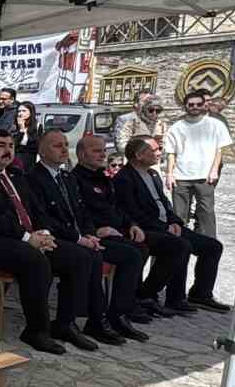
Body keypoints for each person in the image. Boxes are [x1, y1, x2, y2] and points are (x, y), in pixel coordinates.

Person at [0, 129, 97, 354]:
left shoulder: (16, 176)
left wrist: (44, 234)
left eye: (10, 145)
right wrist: (29, 239)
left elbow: (36, 210)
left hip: (21, 238)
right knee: (35, 260)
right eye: (0, 145)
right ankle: (36, 330)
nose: (8, 150)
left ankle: (65, 324)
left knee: (80, 256)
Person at [24, 131, 147, 344]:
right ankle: (78, 321)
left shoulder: (65, 177)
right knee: (88, 256)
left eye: (65, 145)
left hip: (81, 236)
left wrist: (90, 232)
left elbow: (82, 212)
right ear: (42, 151)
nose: (64, 149)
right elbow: (43, 219)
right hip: (53, 238)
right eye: (57, 146)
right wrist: (79, 238)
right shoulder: (33, 178)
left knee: (133, 254)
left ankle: (116, 315)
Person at [113, 136, 229, 313]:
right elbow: (132, 213)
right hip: (145, 229)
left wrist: (174, 221)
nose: (159, 153)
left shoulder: (152, 174)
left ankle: (200, 294)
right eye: (154, 150)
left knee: (212, 247)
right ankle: (147, 294)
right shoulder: (125, 178)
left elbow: (164, 204)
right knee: (180, 246)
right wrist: (164, 227)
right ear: (139, 155)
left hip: (165, 225)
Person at [72, 133, 178, 320]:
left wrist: (131, 224)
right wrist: (95, 231)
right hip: (95, 233)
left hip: (118, 229)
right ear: (81, 154)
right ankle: (122, 309)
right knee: (136, 251)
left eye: (104, 151)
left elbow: (118, 208)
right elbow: (80, 213)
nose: (102, 155)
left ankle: (139, 298)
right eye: (96, 151)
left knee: (172, 244)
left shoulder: (102, 177)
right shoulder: (75, 179)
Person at [163, 88, 232, 239]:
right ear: (185, 106)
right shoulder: (176, 127)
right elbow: (171, 153)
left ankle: (208, 241)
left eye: (198, 104)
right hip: (181, 176)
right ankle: (179, 241)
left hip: (204, 175)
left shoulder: (215, 124)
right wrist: (169, 174)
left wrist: (214, 170)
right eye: (191, 104)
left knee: (206, 211)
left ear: (203, 105)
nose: (194, 107)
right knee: (179, 213)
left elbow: (219, 150)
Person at [11, 101, 41, 167]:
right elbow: (13, 144)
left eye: (24, 111)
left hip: (30, 159)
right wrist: (21, 129)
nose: (20, 113)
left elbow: (37, 144)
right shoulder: (14, 125)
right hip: (16, 159)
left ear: (31, 112)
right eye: (19, 111)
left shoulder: (37, 126)